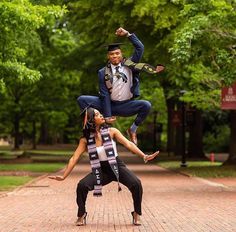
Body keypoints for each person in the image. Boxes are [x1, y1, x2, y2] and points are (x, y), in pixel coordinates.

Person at [49, 107, 159, 226]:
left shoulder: (112, 131)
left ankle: (136, 214)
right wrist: (64, 176)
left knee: (136, 184)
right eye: (97, 114)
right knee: (82, 185)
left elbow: (128, 144)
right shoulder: (85, 140)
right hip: (100, 170)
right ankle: (81, 214)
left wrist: (144, 156)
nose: (101, 115)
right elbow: (74, 158)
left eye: (100, 113)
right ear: (91, 120)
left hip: (117, 166)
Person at [77, 27, 164, 145]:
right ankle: (96, 130)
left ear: (121, 54)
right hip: (108, 105)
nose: (114, 56)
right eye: (112, 54)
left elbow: (140, 48)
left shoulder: (130, 65)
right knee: (82, 100)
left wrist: (128, 34)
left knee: (146, 105)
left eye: (117, 53)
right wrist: (107, 116)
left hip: (125, 106)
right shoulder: (102, 72)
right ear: (108, 56)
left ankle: (132, 129)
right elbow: (104, 94)